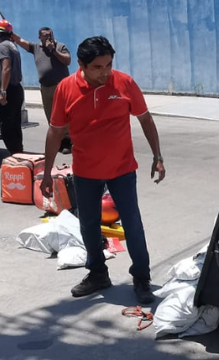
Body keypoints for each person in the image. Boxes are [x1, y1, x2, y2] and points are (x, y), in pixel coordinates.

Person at [41, 36, 164, 304]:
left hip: (122, 169)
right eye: (97, 67)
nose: (105, 72)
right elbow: (54, 131)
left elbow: (145, 118)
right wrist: (48, 172)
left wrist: (157, 155)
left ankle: (142, 277)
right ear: (81, 65)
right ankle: (98, 273)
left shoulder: (124, 82)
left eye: (108, 64)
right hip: (85, 172)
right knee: (88, 225)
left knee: (132, 225)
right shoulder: (65, 89)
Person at [9, 26, 73, 154]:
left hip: (60, 86)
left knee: (63, 114)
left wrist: (53, 50)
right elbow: (21, 41)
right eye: (44, 35)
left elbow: (67, 61)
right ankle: (58, 141)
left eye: (50, 34)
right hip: (45, 87)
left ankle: (67, 142)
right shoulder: (36, 48)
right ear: (40, 37)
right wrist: (9, 32)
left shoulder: (60, 46)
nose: (48, 37)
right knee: (51, 115)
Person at [0, 20, 25, 154]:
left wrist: (2, 91)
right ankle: (19, 153)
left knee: (7, 128)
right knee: (15, 125)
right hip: (16, 89)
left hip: (8, 90)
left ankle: (16, 156)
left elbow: (7, 68)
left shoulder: (2, 46)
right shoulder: (12, 45)